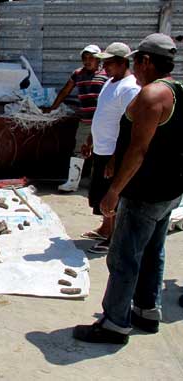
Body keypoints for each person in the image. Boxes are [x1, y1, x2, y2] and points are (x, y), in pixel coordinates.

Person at [73, 33, 183, 344]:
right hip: (169, 190)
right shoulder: (178, 90)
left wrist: (114, 189)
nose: (134, 65)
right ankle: (147, 311)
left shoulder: (151, 96)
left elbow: (139, 150)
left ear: (146, 61)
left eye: (136, 60)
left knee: (123, 257)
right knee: (152, 252)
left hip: (144, 192)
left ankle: (114, 324)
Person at [81, 42, 141, 255]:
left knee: (112, 196)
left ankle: (113, 238)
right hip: (101, 147)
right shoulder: (110, 82)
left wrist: (116, 159)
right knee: (100, 193)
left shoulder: (130, 88)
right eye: (104, 62)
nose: (105, 67)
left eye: (110, 63)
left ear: (123, 62)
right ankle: (105, 228)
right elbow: (101, 113)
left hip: (113, 151)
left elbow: (130, 127)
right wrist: (90, 140)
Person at [43, 45, 108, 192]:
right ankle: (72, 182)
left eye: (91, 58)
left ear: (98, 60)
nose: (87, 61)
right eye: (85, 58)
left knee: (100, 151)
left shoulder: (106, 75)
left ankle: (95, 183)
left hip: (102, 120)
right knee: (79, 150)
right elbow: (65, 91)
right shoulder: (78, 74)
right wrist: (53, 108)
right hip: (85, 120)